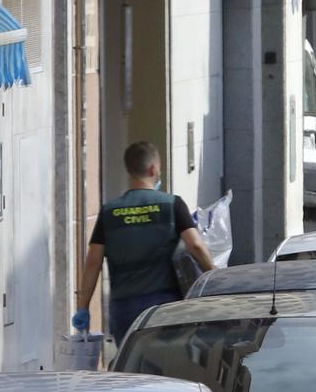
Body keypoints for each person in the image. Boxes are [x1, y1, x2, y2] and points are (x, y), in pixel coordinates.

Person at [75, 142, 215, 343]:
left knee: (131, 360)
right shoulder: (172, 205)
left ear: (129, 170)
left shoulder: (109, 212)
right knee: (166, 360)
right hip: (164, 305)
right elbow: (195, 246)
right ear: (153, 168)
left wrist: (83, 307)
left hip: (124, 308)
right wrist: (215, 275)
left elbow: (92, 262)